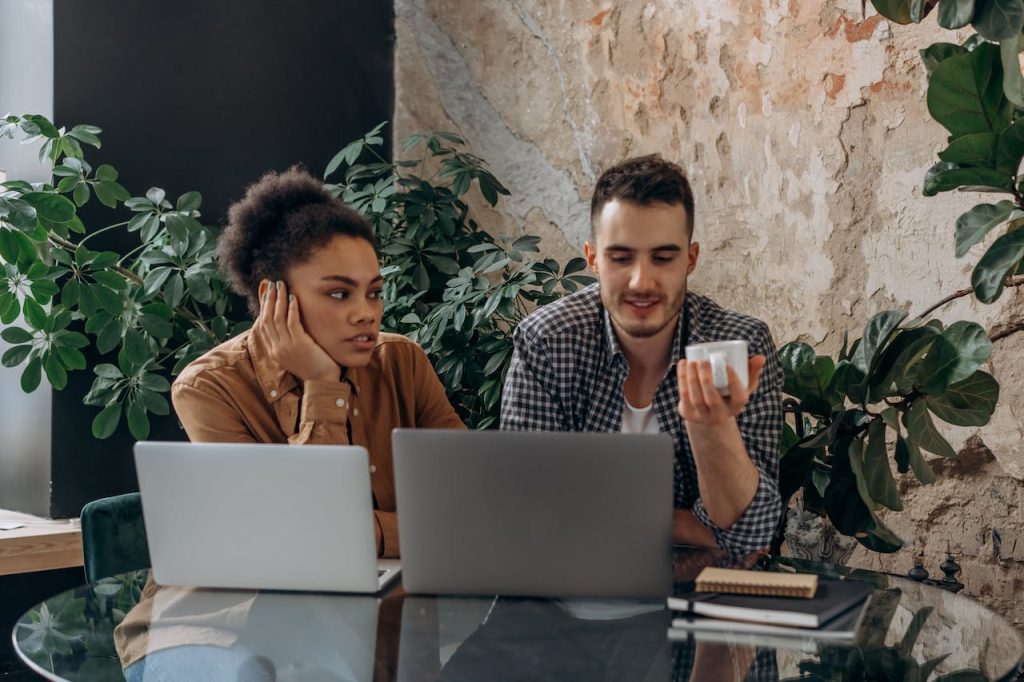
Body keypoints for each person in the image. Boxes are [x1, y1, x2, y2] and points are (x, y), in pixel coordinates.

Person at [171, 166, 464, 558]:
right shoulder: (210, 387)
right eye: (340, 294)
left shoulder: (401, 360)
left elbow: (468, 509)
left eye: (374, 292)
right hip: (251, 608)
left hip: (401, 597)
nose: (367, 313)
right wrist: (323, 384)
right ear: (274, 296)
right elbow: (303, 545)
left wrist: (358, 532)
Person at [500, 154, 782, 556]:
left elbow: (749, 535)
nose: (641, 281)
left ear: (691, 259)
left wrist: (712, 426)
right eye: (620, 257)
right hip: (568, 595)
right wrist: (683, 523)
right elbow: (526, 514)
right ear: (593, 258)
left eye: (663, 258)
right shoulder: (547, 340)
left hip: (697, 602)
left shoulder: (740, 343)